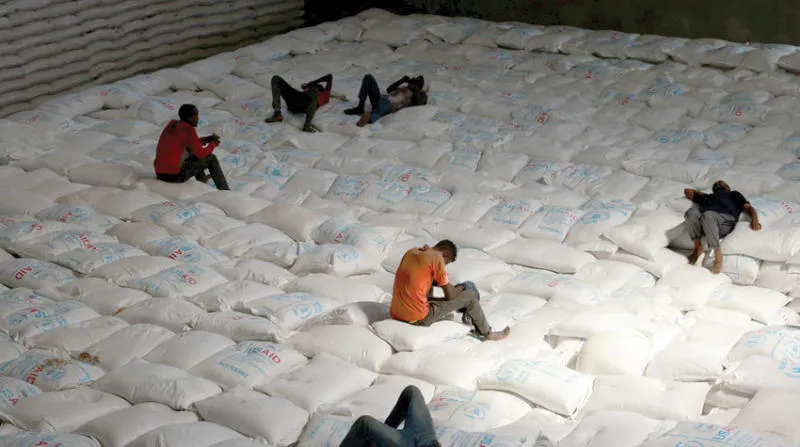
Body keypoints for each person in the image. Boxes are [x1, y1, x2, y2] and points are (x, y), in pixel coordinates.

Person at [390, 240, 510, 341]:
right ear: (446, 256)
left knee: (432, 281)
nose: (445, 266)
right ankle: (487, 333)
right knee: (469, 293)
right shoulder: (437, 258)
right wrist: (461, 288)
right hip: (419, 318)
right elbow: (450, 296)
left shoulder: (412, 252)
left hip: (397, 313)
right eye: (446, 263)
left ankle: (459, 314)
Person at [684, 180, 760, 274]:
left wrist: (755, 219)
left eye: (722, 182)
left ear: (728, 188)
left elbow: (748, 207)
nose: (719, 182)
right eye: (716, 183)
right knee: (691, 212)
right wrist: (706, 195)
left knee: (708, 214)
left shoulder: (733, 194)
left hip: (725, 222)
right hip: (705, 222)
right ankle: (697, 247)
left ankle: (718, 256)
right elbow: (687, 191)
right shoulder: (708, 197)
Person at [153, 104, 229, 190]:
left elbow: (190, 144)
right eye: (195, 115)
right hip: (175, 176)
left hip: (160, 174)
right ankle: (225, 190)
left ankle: (201, 179)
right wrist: (213, 144)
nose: (198, 118)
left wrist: (206, 139)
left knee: (191, 151)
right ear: (189, 117)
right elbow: (201, 154)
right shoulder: (189, 130)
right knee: (211, 158)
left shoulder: (172, 124)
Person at [340, 386, 439, 447]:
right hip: (429, 441)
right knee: (412, 391)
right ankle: (382, 437)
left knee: (364, 423)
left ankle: (380, 439)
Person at [344, 74, 428, 127]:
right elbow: (389, 90)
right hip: (381, 98)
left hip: (389, 105)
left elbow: (420, 104)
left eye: (416, 81)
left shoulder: (420, 94)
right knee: (368, 77)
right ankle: (360, 107)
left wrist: (416, 90)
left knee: (381, 109)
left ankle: (369, 118)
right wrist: (402, 80)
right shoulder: (403, 87)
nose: (412, 82)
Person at [265, 74, 333, 132]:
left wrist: (313, 83)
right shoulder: (308, 89)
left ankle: (307, 125)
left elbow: (329, 77)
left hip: (305, 106)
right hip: (296, 101)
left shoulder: (324, 95)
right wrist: (308, 86)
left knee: (314, 92)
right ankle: (277, 113)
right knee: (276, 78)